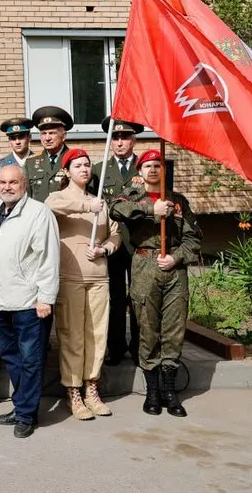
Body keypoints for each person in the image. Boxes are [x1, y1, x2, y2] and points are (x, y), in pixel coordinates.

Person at [110, 149, 201, 418]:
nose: (153, 169)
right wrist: (151, 209)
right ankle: (151, 391)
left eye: (157, 165)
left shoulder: (178, 201)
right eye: (147, 165)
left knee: (173, 328)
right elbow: (116, 209)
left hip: (173, 267)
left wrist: (176, 257)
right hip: (145, 262)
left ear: (164, 170)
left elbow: (193, 238)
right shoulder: (133, 197)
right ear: (139, 171)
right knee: (147, 327)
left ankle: (169, 391)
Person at [0, 165, 60, 439]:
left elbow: (49, 260)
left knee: (30, 361)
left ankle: (27, 414)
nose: (6, 187)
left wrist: (45, 299)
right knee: (13, 359)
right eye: (2, 182)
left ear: (24, 184)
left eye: (12, 182)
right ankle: (20, 407)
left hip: (29, 304)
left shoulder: (38, 214)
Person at [46, 149, 120, 420]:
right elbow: (51, 207)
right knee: (73, 335)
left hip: (99, 276)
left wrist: (106, 250)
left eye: (87, 165)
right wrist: (87, 207)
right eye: (77, 165)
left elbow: (115, 234)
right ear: (67, 171)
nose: (84, 169)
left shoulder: (100, 201)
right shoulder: (61, 197)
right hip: (71, 277)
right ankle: (73, 391)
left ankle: (91, 387)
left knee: (96, 335)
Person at [96, 117, 144, 366]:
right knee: (114, 297)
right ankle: (115, 346)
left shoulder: (145, 167)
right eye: (115, 137)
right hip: (112, 244)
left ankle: (138, 347)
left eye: (125, 137)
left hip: (140, 244)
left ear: (134, 140)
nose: (119, 142)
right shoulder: (99, 170)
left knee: (138, 296)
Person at [25, 106, 73, 203]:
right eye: (43, 133)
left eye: (52, 133)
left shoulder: (74, 160)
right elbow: (27, 197)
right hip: (39, 217)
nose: (47, 138)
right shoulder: (30, 163)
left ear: (63, 136)